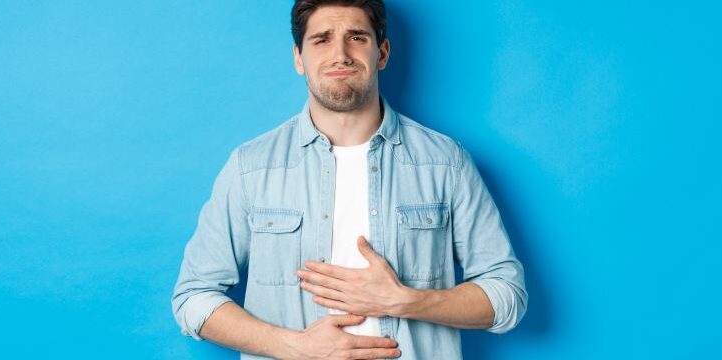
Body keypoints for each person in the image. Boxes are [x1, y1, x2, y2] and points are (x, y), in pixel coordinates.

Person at [171, 0, 527, 358]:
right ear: (299, 58)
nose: (340, 54)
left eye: (356, 38)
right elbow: (193, 299)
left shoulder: (445, 163)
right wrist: (295, 347)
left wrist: (405, 301)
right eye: (321, 40)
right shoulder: (252, 167)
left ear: (382, 53)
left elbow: (506, 295)